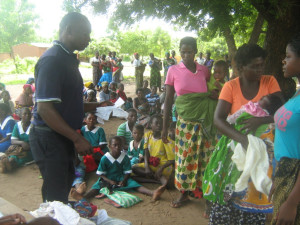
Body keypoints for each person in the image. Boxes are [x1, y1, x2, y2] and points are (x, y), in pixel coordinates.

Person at [29, 12, 111, 204]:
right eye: (85, 34)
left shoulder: (67, 59)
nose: (89, 39)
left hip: (61, 135)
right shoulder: (53, 60)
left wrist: (98, 104)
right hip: (49, 136)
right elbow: (45, 109)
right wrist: (76, 138)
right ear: (69, 30)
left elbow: (68, 104)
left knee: (65, 181)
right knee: (55, 192)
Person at [208, 43, 283, 224]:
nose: (260, 70)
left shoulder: (269, 81)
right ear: (241, 68)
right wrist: (243, 140)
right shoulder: (230, 86)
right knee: (231, 193)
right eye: (255, 66)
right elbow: (218, 120)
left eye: (262, 65)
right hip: (237, 146)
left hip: (264, 150)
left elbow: (282, 112)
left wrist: (261, 121)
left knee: (256, 194)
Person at [162, 36, 216, 208]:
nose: (186, 55)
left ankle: (207, 197)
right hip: (185, 123)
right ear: (179, 52)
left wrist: (214, 94)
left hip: (205, 122)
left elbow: (213, 90)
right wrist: (165, 127)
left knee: (206, 159)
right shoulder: (173, 70)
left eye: (189, 52)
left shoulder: (204, 70)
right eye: (183, 52)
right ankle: (184, 194)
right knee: (185, 159)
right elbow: (169, 100)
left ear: (195, 52)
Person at [73, 136, 163, 201]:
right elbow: (100, 174)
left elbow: (128, 172)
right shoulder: (105, 158)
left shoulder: (125, 157)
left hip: (121, 177)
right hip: (107, 178)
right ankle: (83, 198)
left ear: (122, 146)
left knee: (135, 184)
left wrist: (124, 180)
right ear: (109, 146)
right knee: (95, 188)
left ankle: (152, 192)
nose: (117, 147)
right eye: (114, 145)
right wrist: (109, 181)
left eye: (119, 145)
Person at [270, 34, 300, 225]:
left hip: (294, 184)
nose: (283, 60)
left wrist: (292, 202)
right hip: (284, 174)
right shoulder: (297, 92)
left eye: (288, 56)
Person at [133, 115, 175, 197]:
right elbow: (146, 151)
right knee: (133, 168)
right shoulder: (147, 135)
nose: (159, 125)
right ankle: (156, 180)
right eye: (156, 123)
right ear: (150, 125)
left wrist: (161, 168)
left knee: (168, 185)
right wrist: (147, 166)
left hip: (163, 166)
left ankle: (154, 177)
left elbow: (172, 159)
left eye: (161, 123)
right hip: (151, 165)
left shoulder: (166, 139)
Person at [0, 108, 33, 173]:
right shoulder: (17, 125)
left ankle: (7, 165)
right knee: (14, 155)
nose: (27, 115)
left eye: (29, 114)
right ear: (20, 115)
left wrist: (25, 145)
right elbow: (13, 140)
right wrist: (22, 143)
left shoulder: (33, 126)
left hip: (30, 150)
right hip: (19, 148)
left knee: (21, 158)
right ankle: (7, 164)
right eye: (25, 114)